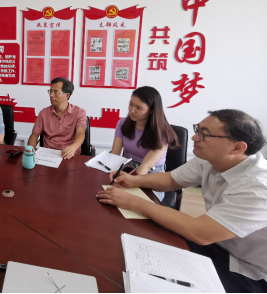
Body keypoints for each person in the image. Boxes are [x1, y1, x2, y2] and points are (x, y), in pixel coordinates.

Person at [97, 109, 267, 293]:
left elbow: (201, 232)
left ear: (237, 148)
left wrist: (134, 202)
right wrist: (134, 180)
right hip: (217, 245)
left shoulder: (258, 188)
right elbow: (171, 180)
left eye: (204, 134)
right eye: (197, 129)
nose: (194, 137)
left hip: (250, 270)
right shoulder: (211, 159)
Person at [111, 86, 178, 176]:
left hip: (151, 172)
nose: (132, 110)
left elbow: (146, 166)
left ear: (151, 110)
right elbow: (115, 153)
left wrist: (128, 180)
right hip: (127, 168)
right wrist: (111, 172)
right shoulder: (123, 123)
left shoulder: (162, 132)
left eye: (138, 108)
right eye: (131, 104)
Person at [27, 77, 86, 159]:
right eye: (50, 91)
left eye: (56, 92)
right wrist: (29, 153)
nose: (51, 95)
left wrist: (73, 148)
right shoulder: (44, 113)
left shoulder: (79, 112)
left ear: (67, 95)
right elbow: (34, 135)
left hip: (70, 155)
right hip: (48, 155)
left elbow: (80, 134)